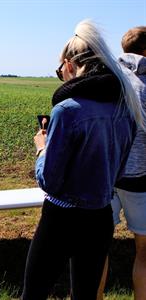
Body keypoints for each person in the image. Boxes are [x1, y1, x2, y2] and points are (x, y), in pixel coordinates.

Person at [22, 20, 145, 300]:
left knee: (34, 292)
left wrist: (42, 148)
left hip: (61, 217)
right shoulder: (127, 107)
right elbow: (119, 168)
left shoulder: (67, 110)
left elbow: (49, 181)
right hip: (100, 217)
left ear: (69, 64)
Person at [101, 26, 146, 300]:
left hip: (103, 178)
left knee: (96, 249)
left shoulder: (105, 81)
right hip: (139, 179)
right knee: (144, 251)